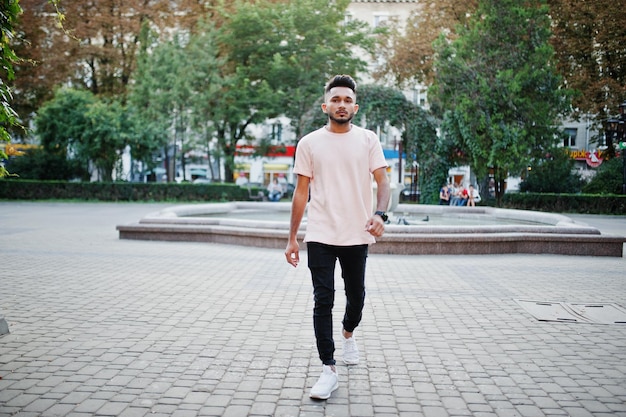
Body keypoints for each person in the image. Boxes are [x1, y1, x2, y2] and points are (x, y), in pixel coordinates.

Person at [285, 74, 390, 400]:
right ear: (325, 105)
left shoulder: (368, 139)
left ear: (354, 106)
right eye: (336, 99)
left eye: (347, 100)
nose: (341, 105)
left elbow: (384, 183)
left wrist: (380, 214)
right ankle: (327, 369)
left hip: (357, 233)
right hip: (320, 233)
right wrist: (292, 238)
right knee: (323, 299)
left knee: (356, 297)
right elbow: (300, 194)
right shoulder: (309, 143)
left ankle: (348, 333)